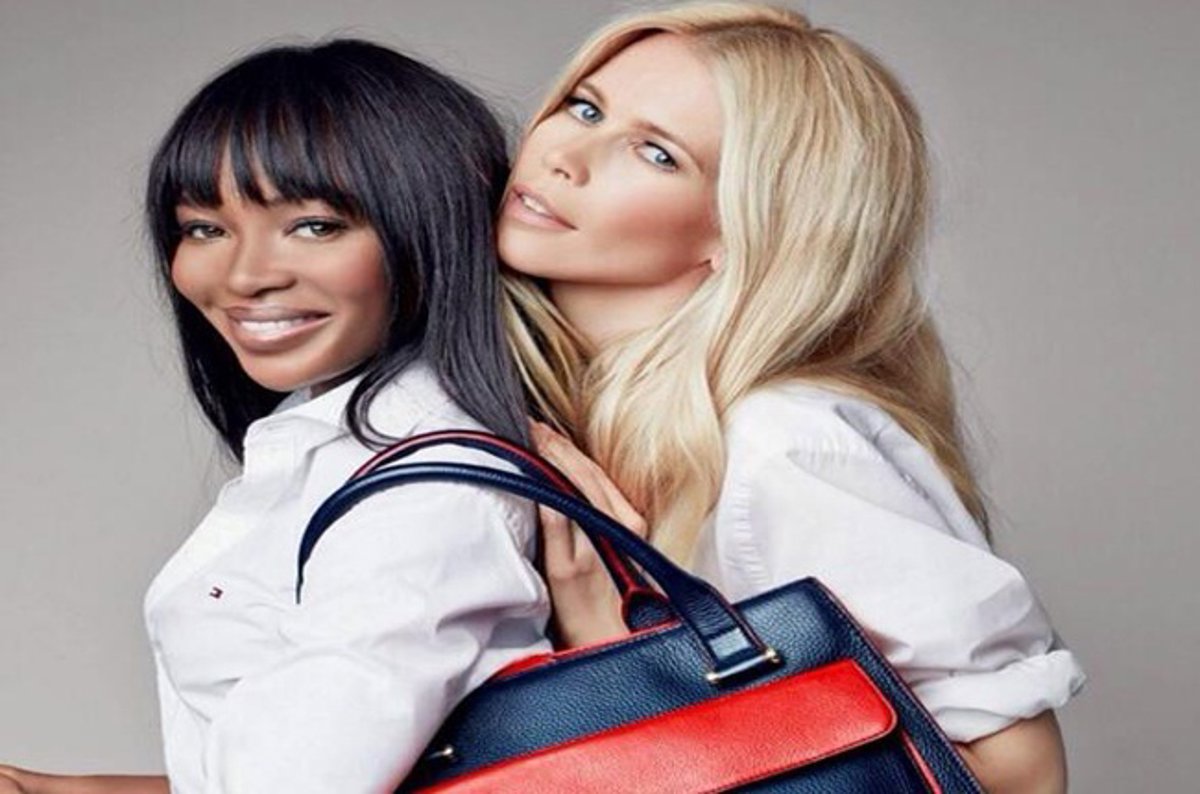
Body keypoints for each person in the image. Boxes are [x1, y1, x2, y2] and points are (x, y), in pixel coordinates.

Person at [496, 3, 1085, 792]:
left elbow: (1022, 773)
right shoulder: (523, 405)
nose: (565, 157)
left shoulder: (781, 443)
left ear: (744, 227)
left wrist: (619, 659)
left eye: (658, 154)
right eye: (586, 107)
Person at [0, 39, 548, 794]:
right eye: (205, 228)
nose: (245, 275)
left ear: (431, 228)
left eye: (314, 225)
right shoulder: (341, 444)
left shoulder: (427, 489)